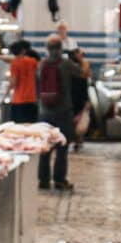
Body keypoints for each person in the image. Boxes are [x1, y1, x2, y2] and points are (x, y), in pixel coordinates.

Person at [33, 37, 76, 189]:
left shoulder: (41, 65)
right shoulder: (66, 64)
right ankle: (59, 180)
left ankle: (43, 180)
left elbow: (36, 87)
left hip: (44, 112)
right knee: (62, 147)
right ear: (61, 48)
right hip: (63, 111)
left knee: (45, 147)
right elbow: (83, 73)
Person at [7, 39, 39, 122]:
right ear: (23, 51)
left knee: (18, 126)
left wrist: (6, 92)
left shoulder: (14, 63)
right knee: (30, 125)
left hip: (18, 100)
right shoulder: (32, 61)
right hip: (31, 99)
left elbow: (13, 82)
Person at [67, 46, 91, 151]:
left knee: (76, 119)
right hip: (76, 97)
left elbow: (85, 79)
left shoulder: (78, 66)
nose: (82, 56)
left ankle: (76, 139)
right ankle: (76, 140)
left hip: (74, 97)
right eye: (80, 54)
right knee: (76, 119)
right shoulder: (76, 67)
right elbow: (85, 79)